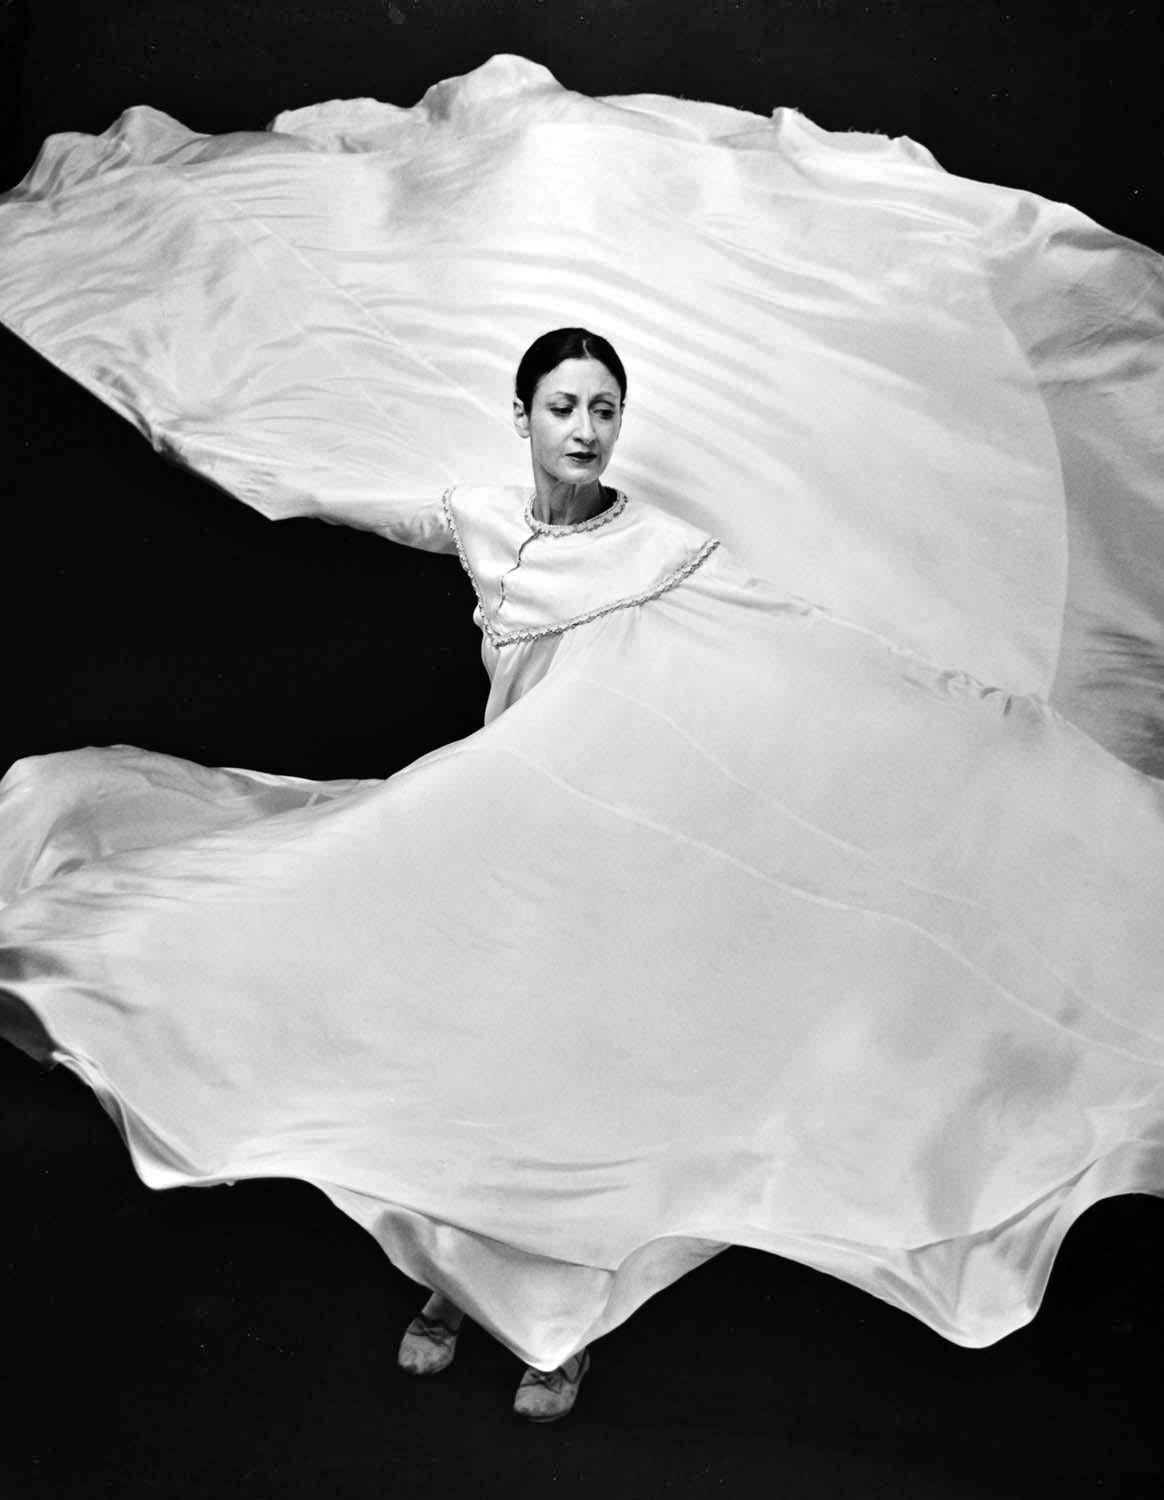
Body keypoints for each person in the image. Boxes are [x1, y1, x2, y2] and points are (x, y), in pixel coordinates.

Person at [2, 56, 1164, 1431]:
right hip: (502, 818)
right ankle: (446, 1287)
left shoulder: (666, 539)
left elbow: (791, 635)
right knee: (454, 1029)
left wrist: (963, 707)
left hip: (608, 826)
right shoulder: (484, 516)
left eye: (606, 410)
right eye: (566, 407)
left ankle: (556, 1326)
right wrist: (237, 444)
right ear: (525, 418)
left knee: (583, 1060)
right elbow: (375, 498)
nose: (588, 428)